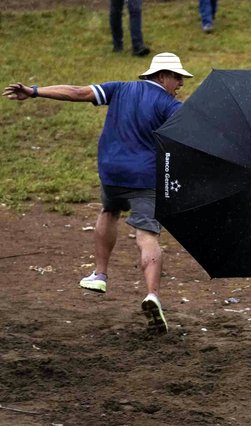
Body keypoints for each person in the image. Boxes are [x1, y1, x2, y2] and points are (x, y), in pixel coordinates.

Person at [2, 52, 193, 335]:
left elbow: (77, 93)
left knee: (109, 211)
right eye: (178, 78)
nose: (180, 84)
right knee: (147, 235)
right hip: (145, 178)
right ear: (163, 76)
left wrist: (34, 91)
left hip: (112, 172)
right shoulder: (169, 104)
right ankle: (152, 294)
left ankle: (100, 275)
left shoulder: (119, 89)